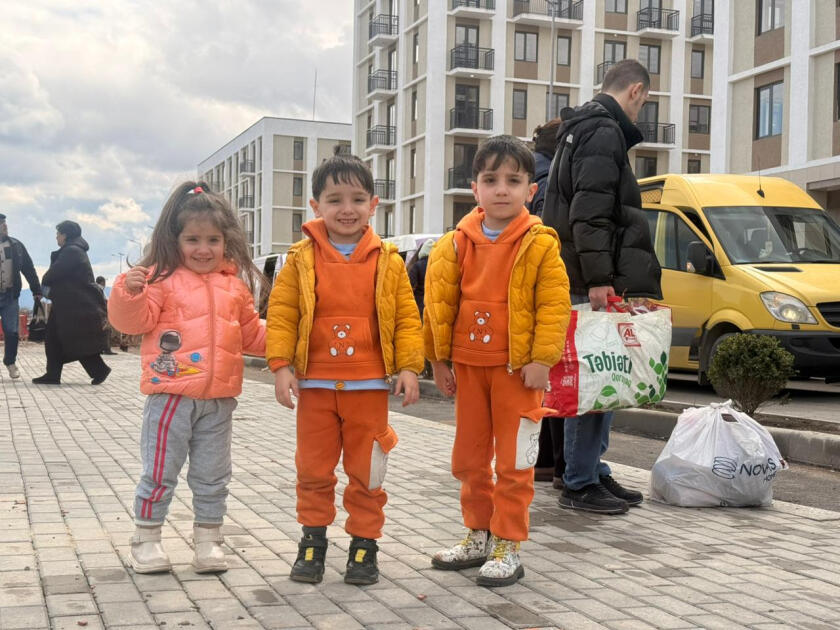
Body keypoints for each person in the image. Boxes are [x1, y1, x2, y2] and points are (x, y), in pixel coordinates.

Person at [267, 150, 424, 586]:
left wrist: (409, 367)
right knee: (313, 469)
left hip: (369, 387)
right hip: (315, 387)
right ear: (316, 206)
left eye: (357, 199)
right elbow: (282, 314)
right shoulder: (299, 259)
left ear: (373, 204)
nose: (347, 209)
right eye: (334, 200)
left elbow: (407, 318)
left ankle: (364, 545)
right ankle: (312, 542)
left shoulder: (389, 260)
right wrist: (281, 366)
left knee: (367, 471)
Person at [424, 135, 570, 587]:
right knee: (469, 459)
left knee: (514, 462)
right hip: (469, 369)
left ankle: (508, 542)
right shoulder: (453, 245)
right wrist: (439, 360)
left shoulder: (540, 244)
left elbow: (553, 306)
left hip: (518, 373)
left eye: (513, 180)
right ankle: (478, 533)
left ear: (530, 189)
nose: (501, 189)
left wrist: (542, 359)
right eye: (491, 180)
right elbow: (438, 306)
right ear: (475, 188)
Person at [107, 182, 266, 574]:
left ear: (226, 241)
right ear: (174, 240)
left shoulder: (235, 287)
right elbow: (132, 323)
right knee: (160, 471)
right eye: (192, 239)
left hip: (219, 402)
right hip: (170, 398)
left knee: (213, 475)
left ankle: (208, 541)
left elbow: (252, 335)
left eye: (213, 240)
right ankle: (146, 539)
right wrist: (128, 293)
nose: (203, 249)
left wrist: (295, 339)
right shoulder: (159, 280)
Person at [541, 59, 663, 515]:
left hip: (581, 272)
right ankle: (579, 480)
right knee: (595, 380)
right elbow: (590, 214)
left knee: (603, 378)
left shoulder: (584, 128)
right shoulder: (603, 131)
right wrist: (598, 279)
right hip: (589, 278)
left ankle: (591, 469)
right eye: (643, 103)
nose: (640, 111)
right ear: (636, 91)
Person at [527, 119, 567, 489]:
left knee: (548, 383)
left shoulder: (535, 171)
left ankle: (541, 461)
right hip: (542, 290)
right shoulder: (549, 177)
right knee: (556, 379)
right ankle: (556, 463)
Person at [33, 221, 110, 385]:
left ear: (65, 235)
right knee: (55, 338)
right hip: (68, 303)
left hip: (75, 305)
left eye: (58, 234)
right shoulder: (74, 250)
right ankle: (52, 374)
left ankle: (99, 370)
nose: (56, 237)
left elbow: (52, 274)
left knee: (75, 341)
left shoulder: (71, 252)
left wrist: (46, 280)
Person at [0, 213, 42, 379]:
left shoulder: (16, 246)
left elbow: (29, 269)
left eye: (5, 223)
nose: (4, 226)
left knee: (12, 332)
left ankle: (10, 362)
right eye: (1, 223)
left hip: (10, 296)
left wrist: (36, 290)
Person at [96, 276, 117, 355]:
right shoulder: (100, 289)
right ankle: (107, 349)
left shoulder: (93, 288)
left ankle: (99, 349)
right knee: (107, 330)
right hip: (101, 313)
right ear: (103, 282)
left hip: (95, 313)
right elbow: (104, 301)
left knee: (99, 331)